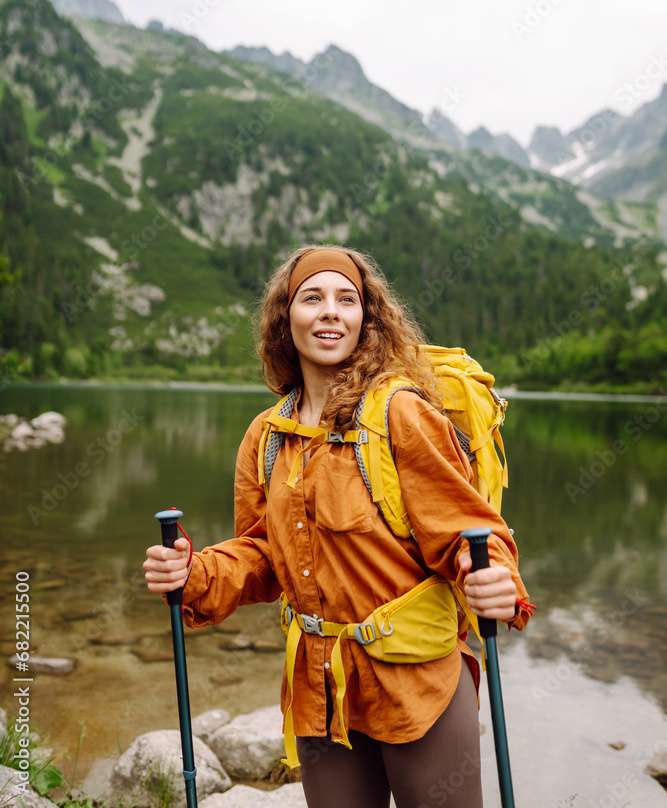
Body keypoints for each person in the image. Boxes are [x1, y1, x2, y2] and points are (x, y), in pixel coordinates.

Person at [143, 244, 534, 808]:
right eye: (313, 298)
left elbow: (471, 533)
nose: (330, 311)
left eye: (347, 300)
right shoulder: (267, 435)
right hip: (320, 692)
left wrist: (496, 579)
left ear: (366, 321)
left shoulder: (401, 412)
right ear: (287, 318)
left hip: (418, 685)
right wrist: (195, 573)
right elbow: (261, 554)